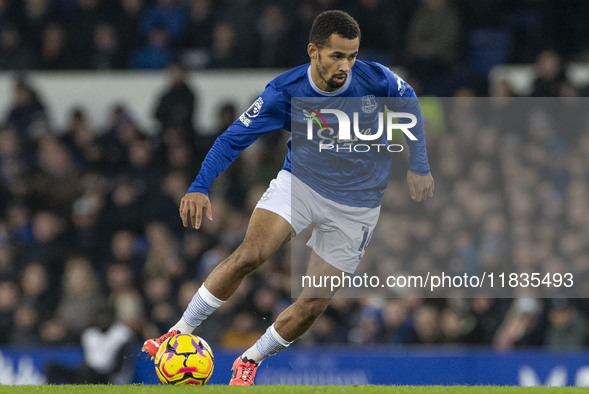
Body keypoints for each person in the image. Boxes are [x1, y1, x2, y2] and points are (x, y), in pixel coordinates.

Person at [142, 10, 434, 386]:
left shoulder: (375, 78)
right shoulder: (284, 92)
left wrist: (420, 165)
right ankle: (178, 332)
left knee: (313, 303)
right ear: (313, 50)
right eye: (337, 56)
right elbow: (232, 139)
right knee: (251, 254)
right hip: (302, 184)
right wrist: (200, 185)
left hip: (357, 206)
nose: (346, 65)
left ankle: (249, 360)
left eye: (352, 56)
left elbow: (408, 99)